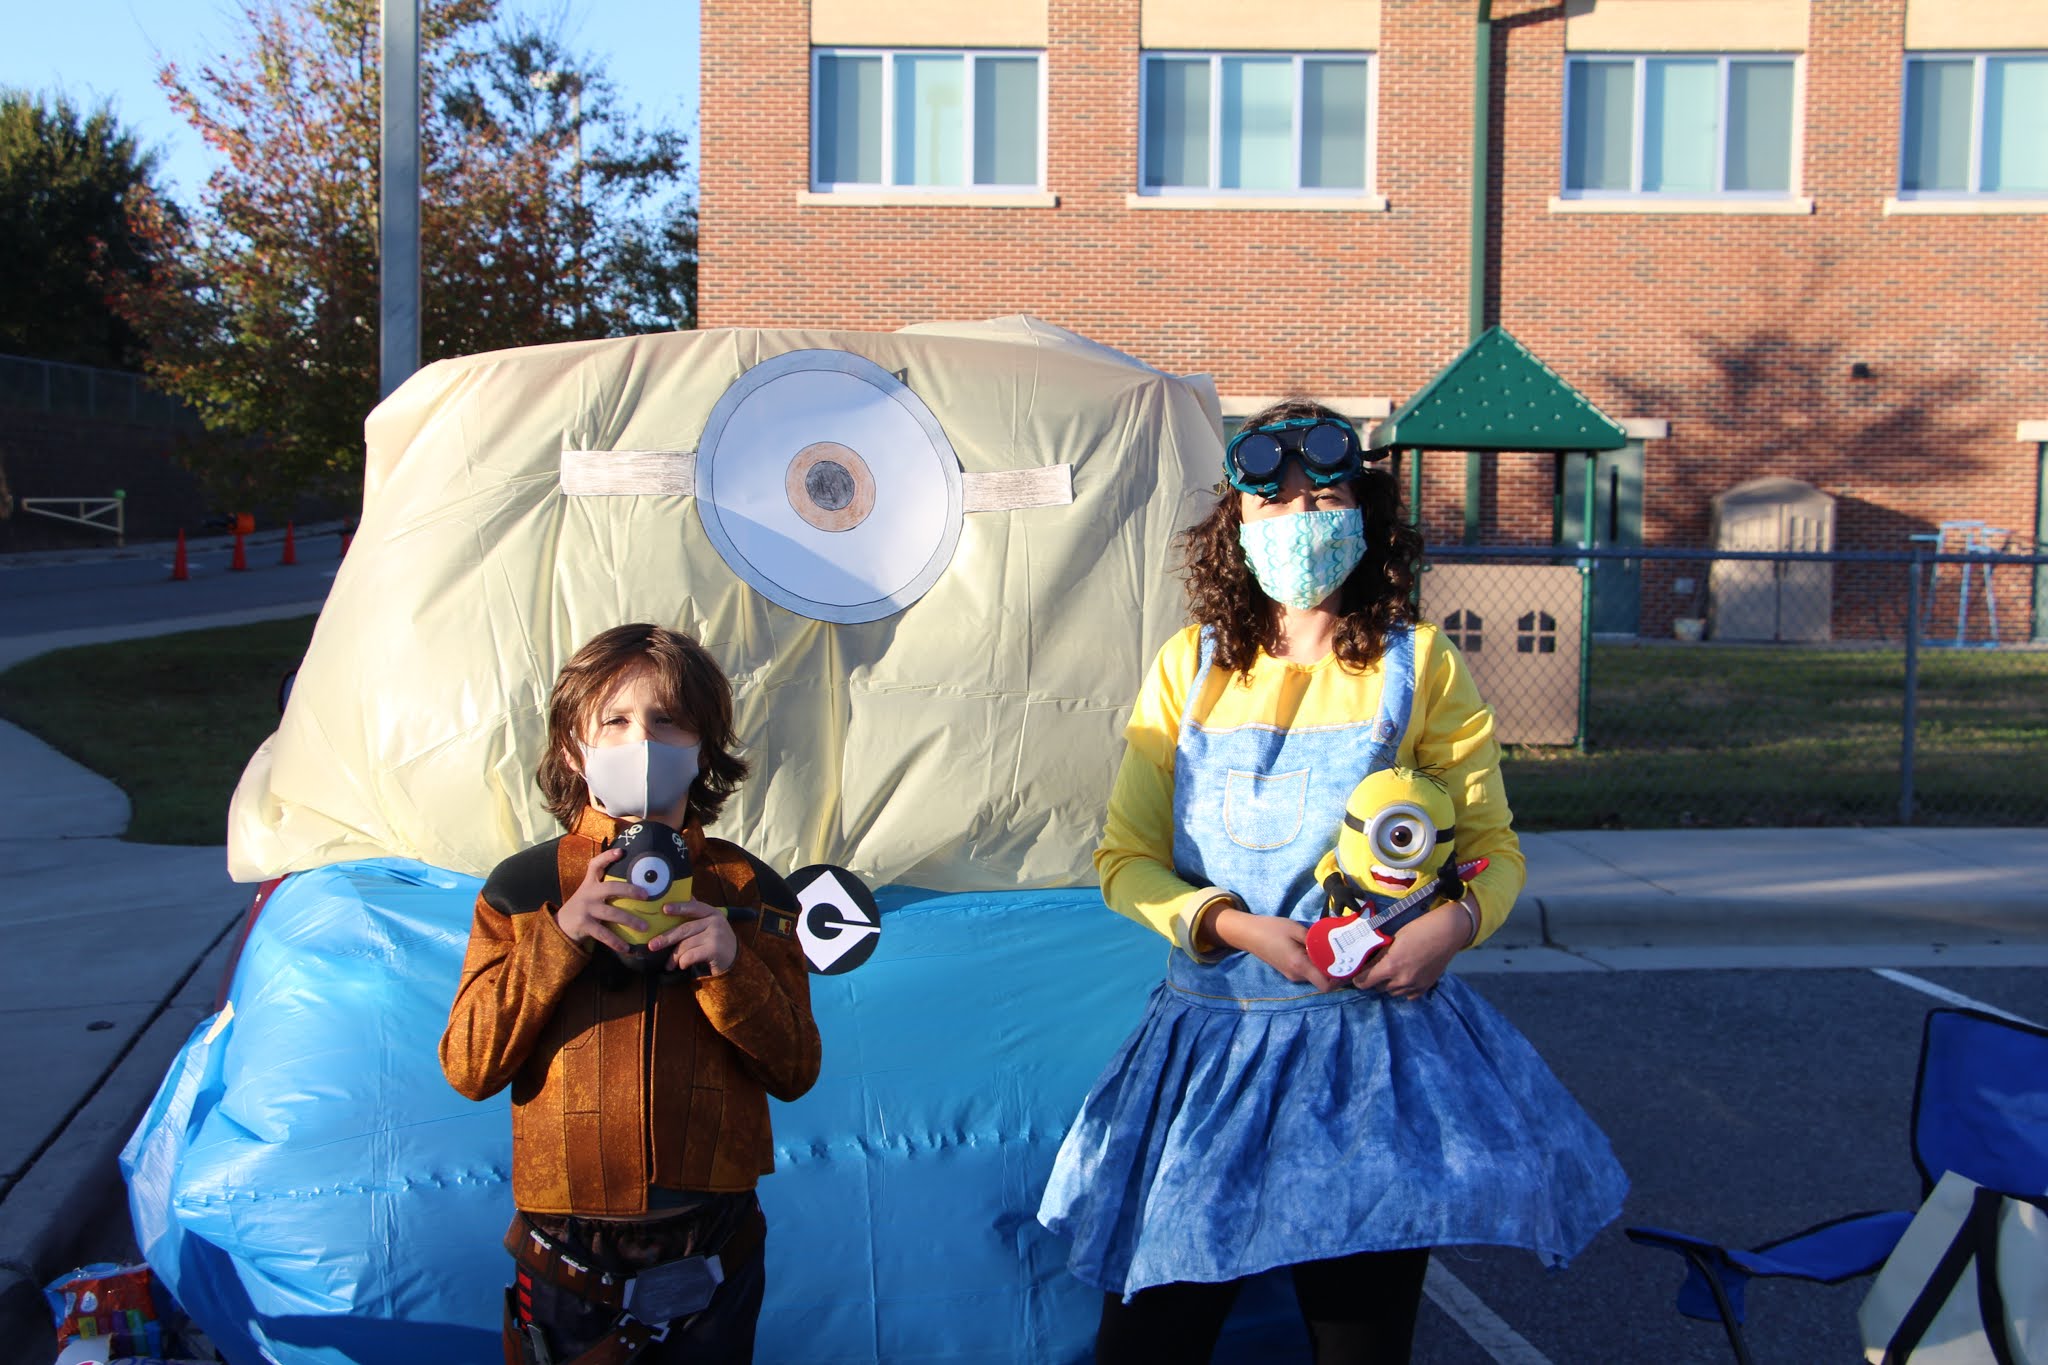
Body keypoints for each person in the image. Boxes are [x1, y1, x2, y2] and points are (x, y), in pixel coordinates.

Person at [1038, 400, 1627, 1364]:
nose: (1301, 521)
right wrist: (1234, 926)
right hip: (1211, 1055)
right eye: (1274, 504)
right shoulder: (1188, 669)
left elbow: (1492, 845)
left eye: (1324, 497)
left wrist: (1456, 925)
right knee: (1151, 1342)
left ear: (1365, 516)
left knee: (1359, 1346)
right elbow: (1124, 860)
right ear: (1237, 523)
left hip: (1371, 1063)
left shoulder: (1420, 666)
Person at [440, 623, 820, 1364]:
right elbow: (468, 1063)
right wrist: (561, 937)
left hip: (713, 1247)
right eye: (614, 720)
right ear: (575, 746)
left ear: (704, 744)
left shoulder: (749, 889)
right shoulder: (524, 888)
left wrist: (731, 965)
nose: (640, 739)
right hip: (568, 1259)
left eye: (666, 719)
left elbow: (797, 1068)